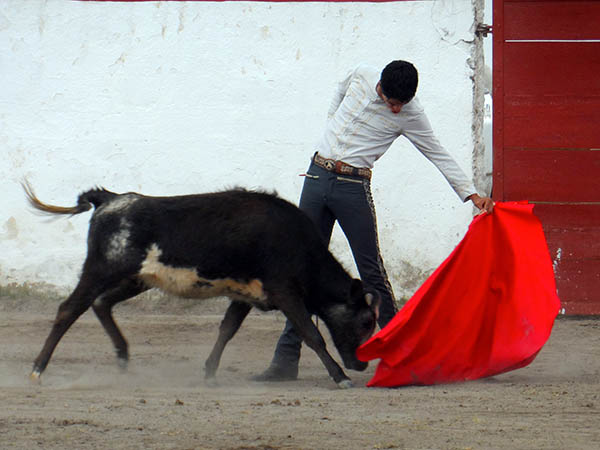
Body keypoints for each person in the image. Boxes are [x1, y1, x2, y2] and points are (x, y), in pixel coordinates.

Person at [253, 60, 494, 382]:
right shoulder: (360, 75)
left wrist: (471, 194)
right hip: (316, 176)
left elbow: (437, 152)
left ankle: (402, 359)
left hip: (353, 188)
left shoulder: (412, 114)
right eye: (391, 102)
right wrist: (330, 124)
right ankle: (284, 362)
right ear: (379, 86)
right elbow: (339, 89)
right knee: (301, 272)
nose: (395, 110)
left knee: (372, 274)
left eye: (401, 105)